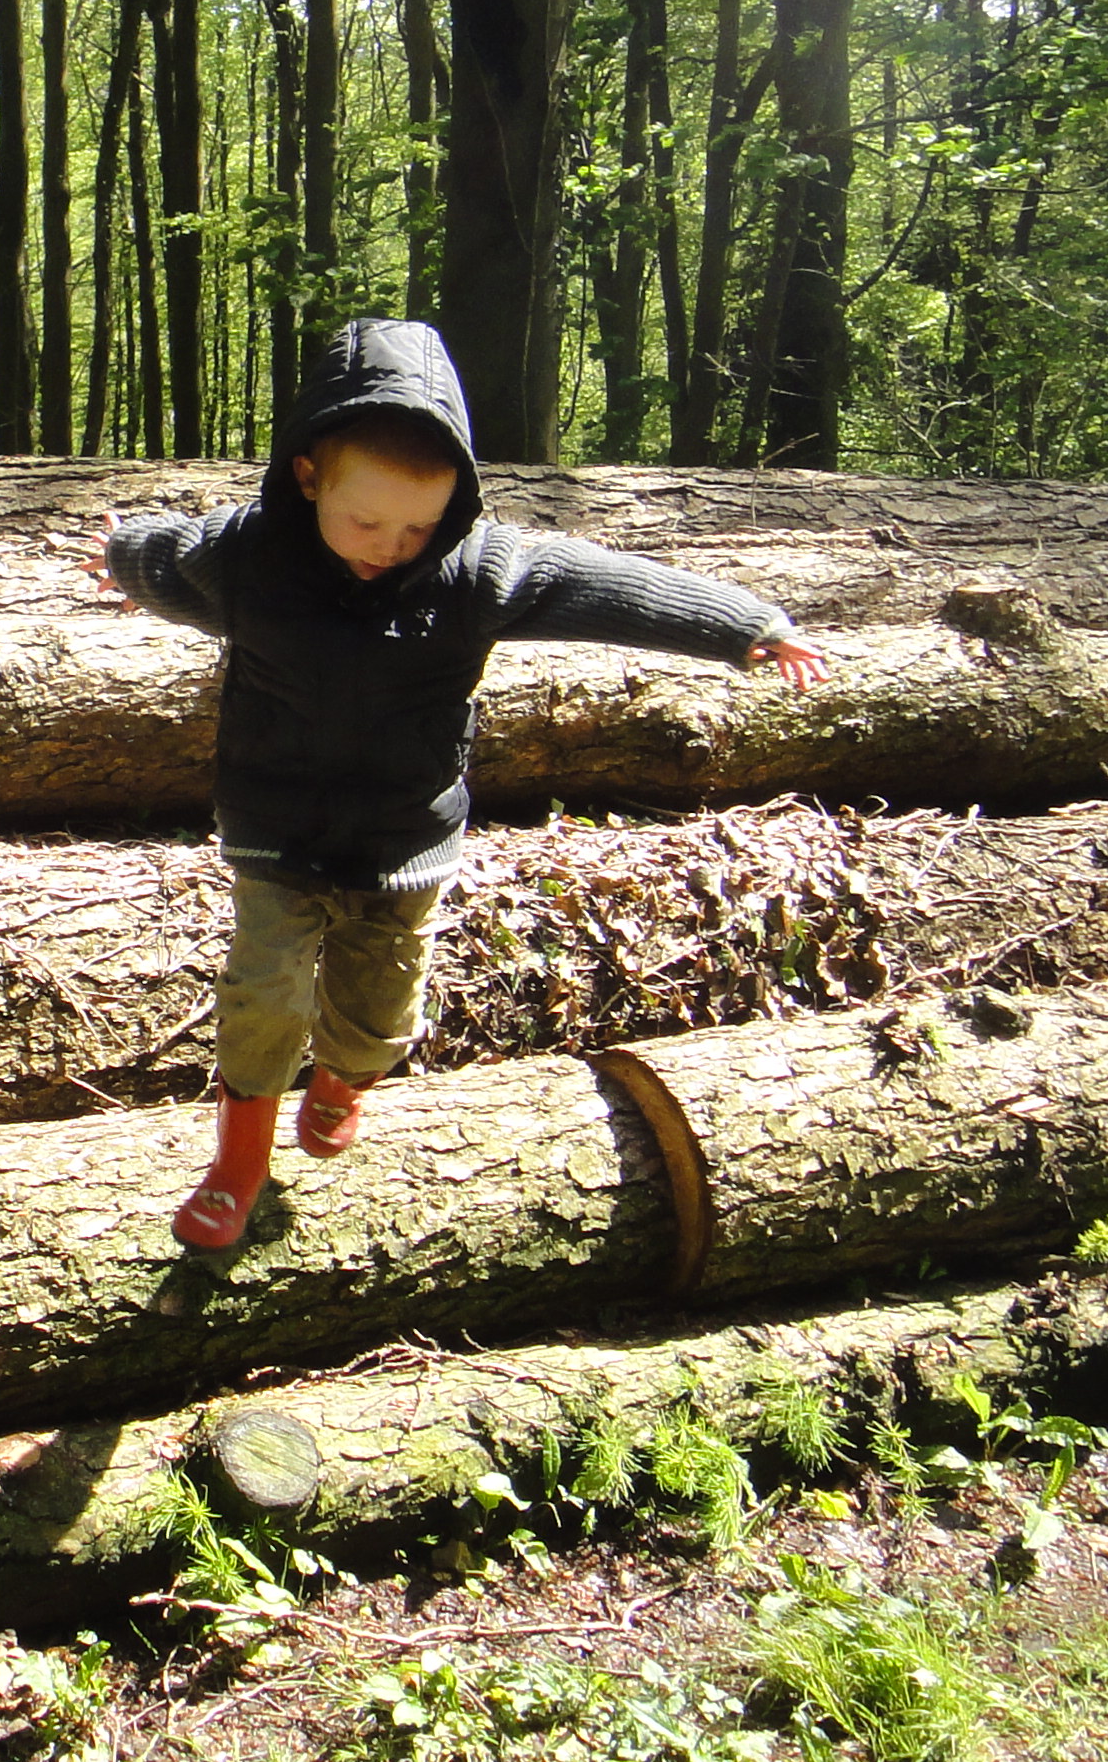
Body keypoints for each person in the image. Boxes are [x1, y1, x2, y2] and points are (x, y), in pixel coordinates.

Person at [66, 317, 828, 1250]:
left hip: (404, 835)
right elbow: (167, 555)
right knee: (262, 996)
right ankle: (239, 1163)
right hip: (277, 823)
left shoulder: (479, 571)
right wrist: (122, 556)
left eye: (419, 526)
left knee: (377, 1015)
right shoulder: (247, 556)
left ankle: (345, 1080)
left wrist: (745, 625)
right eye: (367, 521)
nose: (391, 545)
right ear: (307, 476)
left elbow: (608, 584)